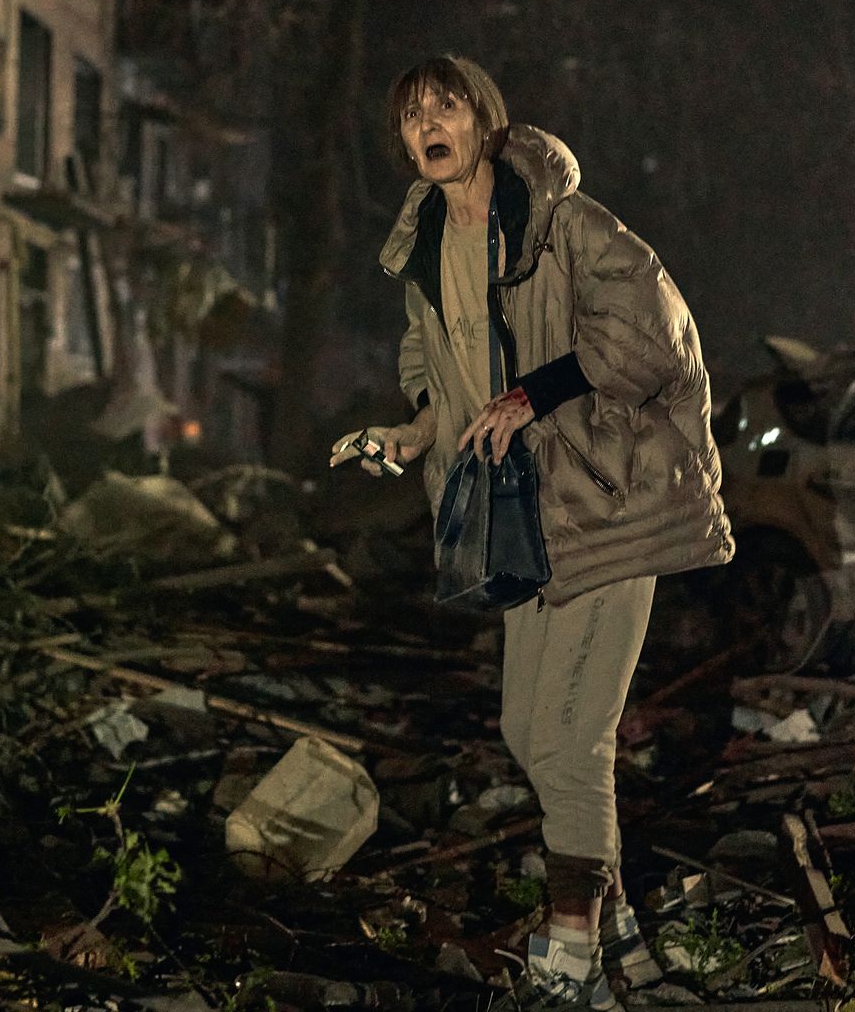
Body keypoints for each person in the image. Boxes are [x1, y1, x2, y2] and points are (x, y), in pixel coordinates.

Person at [331, 55, 734, 1009]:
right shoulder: (426, 248)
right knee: (526, 729)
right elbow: (431, 371)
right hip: (519, 528)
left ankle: (566, 957)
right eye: (413, 115)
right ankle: (618, 928)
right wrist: (408, 433)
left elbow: (654, 333)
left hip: (605, 507)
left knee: (569, 742)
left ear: (484, 121)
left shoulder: (563, 223)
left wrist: (535, 391)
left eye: (447, 106)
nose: (429, 124)